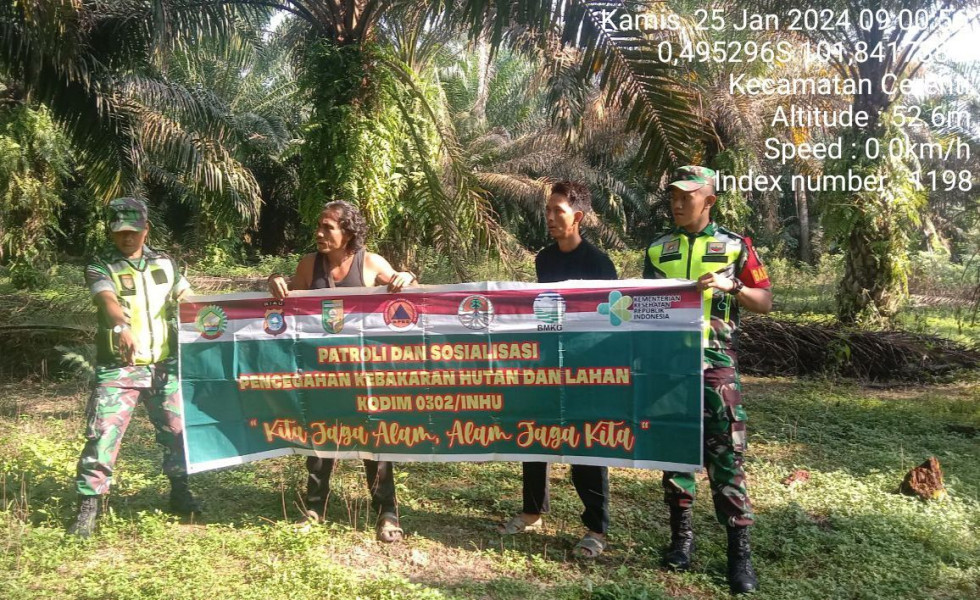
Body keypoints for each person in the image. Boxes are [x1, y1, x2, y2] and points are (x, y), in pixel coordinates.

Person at [643, 166, 772, 594]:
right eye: (674, 196)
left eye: (687, 196)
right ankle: (680, 541)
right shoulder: (658, 248)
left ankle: (740, 556)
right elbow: (641, 305)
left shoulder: (736, 246)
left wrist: (731, 285)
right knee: (675, 454)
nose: (678, 203)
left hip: (717, 367)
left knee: (727, 460)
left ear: (709, 200)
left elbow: (765, 301)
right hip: (669, 367)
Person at [267, 200, 415, 543]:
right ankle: (315, 508)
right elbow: (287, 305)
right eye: (318, 227)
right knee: (319, 440)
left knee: (373, 443)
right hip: (321, 374)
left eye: (328, 227)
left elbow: (404, 292)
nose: (319, 233)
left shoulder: (370, 263)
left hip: (365, 374)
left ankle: (387, 512)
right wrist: (274, 281)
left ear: (348, 233)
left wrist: (406, 277)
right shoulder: (308, 265)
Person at [497, 181, 617, 558]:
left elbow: (609, 319)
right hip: (547, 363)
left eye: (558, 211)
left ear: (577, 217)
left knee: (586, 445)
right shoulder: (544, 260)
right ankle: (532, 510)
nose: (549, 217)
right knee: (534, 434)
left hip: (586, 368)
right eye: (547, 211)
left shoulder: (599, 264)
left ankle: (596, 529)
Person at [68, 197, 201, 538]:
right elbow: (107, 300)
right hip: (119, 368)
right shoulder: (101, 265)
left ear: (146, 229)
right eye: (120, 232)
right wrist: (120, 327)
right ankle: (89, 506)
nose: (127, 238)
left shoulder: (166, 263)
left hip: (163, 366)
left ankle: (180, 492)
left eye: (134, 231)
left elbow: (188, 298)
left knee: (177, 432)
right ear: (112, 232)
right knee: (103, 435)